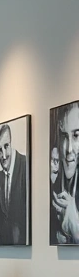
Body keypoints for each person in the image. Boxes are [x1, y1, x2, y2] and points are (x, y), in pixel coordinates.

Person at [0, 124, 28, 245]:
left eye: (6, 146)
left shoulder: (25, 166)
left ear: (11, 143)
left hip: (25, 247)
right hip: (4, 246)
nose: (3, 155)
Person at [52, 102, 79, 244]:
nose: (68, 149)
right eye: (64, 136)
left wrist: (74, 225)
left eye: (76, 136)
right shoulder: (54, 184)